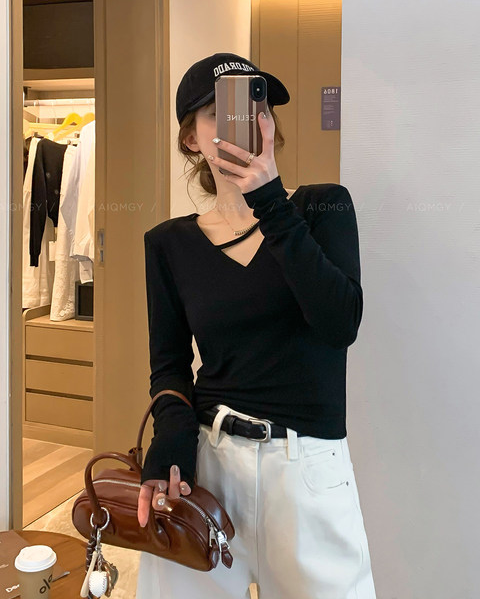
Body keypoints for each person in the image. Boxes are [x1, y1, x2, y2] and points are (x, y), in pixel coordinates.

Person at [136, 52, 377, 599]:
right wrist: (172, 438)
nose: (246, 122)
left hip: (306, 469)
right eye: (221, 112)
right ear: (191, 139)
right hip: (209, 467)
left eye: (257, 106)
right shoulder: (169, 243)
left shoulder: (322, 209)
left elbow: (340, 324)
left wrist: (270, 201)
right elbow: (169, 363)